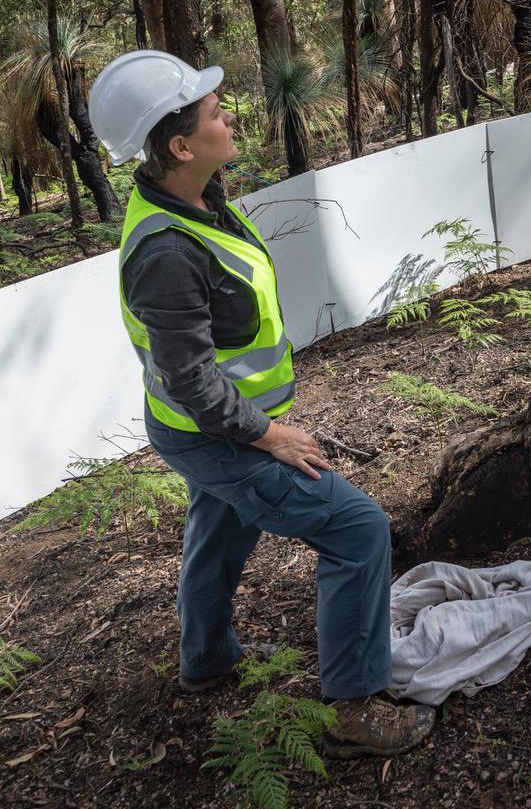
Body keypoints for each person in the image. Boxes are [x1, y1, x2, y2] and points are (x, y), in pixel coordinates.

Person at [88, 50, 434, 759]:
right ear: (181, 146)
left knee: (218, 534)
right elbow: (190, 379)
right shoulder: (167, 252)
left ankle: (207, 659)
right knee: (358, 529)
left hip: (199, 428)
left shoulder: (192, 200)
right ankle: (355, 707)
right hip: (214, 432)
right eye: (214, 113)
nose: (230, 114)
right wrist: (267, 434)